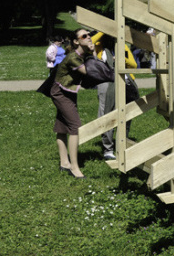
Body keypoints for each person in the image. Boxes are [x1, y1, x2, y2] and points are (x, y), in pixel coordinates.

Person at [50, 28, 95, 178]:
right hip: (60, 92)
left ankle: (64, 162)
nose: (89, 37)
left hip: (68, 92)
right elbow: (91, 72)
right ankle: (74, 168)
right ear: (76, 41)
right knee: (75, 127)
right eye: (84, 36)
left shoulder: (81, 55)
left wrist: (91, 52)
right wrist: (93, 54)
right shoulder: (73, 57)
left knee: (62, 127)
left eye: (89, 35)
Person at [91, 32, 138, 160]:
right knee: (107, 112)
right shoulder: (98, 46)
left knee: (128, 113)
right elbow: (90, 41)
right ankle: (108, 148)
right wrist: (102, 30)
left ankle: (122, 144)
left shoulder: (122, 46)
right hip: (106, 82)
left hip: (125, 82)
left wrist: (122, 59)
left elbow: (133, 65)